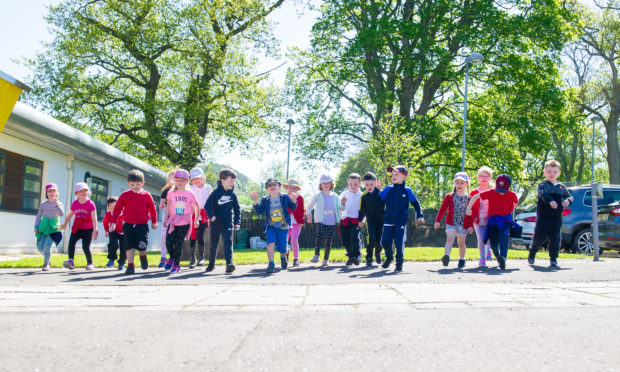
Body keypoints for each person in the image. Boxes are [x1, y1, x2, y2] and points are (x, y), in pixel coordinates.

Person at [466, 174, 519, 270]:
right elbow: (475, 196)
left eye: (503, 190)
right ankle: (498, 257)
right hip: (493, 220)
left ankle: (503, 258)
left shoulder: (512, 194)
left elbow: (515, 202)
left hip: (505, 220)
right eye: (499, 190)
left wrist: (509, 210)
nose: (501, 193)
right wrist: (468, 208)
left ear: (509, 187)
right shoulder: (491, 192)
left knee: (504, 238)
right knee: (493, 243)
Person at [110, 170, 158, 275]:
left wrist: (154, 221)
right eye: (132, 184)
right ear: (128, 184)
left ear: (142, 183)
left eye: (138, 184)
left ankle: (142, 255)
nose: (135, 186)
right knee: (129, 245)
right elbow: (117, 209)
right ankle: (130, 266)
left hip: (142, 225)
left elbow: (152, 209)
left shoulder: (147, 195)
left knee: (142, 245)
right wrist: (113, 223)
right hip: (128, 225)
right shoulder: (124, 195)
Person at [528, 160, 573, 268]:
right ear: (544, 172)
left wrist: (568, 201)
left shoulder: (561, 187)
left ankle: (553, 259)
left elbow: (570, 196)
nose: (551, 174)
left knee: (555, 238)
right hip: (543, 217)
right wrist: (550, 201)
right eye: (549, 171)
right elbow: (543, 194)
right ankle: (532, 251)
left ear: (558, 173)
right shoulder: (542, 185)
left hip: (556, 217)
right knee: (539, 237)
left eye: (554, 172)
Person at [380, 165, 425, 272]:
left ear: (404, 177)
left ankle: (399, 262)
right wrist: (376, 191)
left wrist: (420, 215)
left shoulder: (407, 190)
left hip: (401, 221)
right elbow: (378, 201)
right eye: (392, 174)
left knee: (399, 242)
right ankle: (389, 257)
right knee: (385, 241)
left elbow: (416, 203)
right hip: (388, 220)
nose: (393, 176)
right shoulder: (387, 189)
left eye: (396, 174)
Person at [251, 179, 298, 273]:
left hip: (283, 227)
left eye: (274, 185)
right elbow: (260, 211)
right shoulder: (265, 199)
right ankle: (271, 264)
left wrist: (294, 200)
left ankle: (283, 257)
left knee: (282, 248)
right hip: (271, 226)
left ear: (279, 187)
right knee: (270, 243)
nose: (272, 186)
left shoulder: (284, 197)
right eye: (269, 185)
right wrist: (255, 201)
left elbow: (292, 208)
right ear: (267, 189)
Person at [434, 172, 474, 269]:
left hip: (463, 224)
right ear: (454, 184)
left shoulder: (469, 198)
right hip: (451, 223)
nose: (459, 185)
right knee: (450, 238)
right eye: (457, 183)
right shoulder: (450, 196)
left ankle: (461, 259)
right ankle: (447, 256)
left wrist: (470, 225)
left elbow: (471, 213)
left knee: (461, 243)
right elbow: (442, 209)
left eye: (462, 183)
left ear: (467, 184)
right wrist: (437, 220)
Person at [204, 168, 240, 273]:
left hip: (227, 222)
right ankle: (211, 264)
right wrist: (212, 215)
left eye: (234, 181)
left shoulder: (233, 195)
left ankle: (229, 263)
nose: (232, 183)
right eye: (230, 181)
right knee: (213, 243)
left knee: (228, 242)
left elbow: (237, 209)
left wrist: (237, 222)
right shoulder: (215, 193)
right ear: (223, 180)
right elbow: (207, 206)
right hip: (215, 223)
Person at [163, 169, 199, 273]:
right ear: (174, 180)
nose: (180, 182)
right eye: (178, 180)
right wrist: (165, 219)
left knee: (179, 243)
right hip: (173, 221)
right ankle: (172, 258)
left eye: (182, 180)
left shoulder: (190, 193)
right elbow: (168, 207)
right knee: (168, 242)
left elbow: (196, 206)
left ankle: (177, 265)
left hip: (184, 222)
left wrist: (196, 220)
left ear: (187, 181)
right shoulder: (171, 192)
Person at [60, 182, 98, 270]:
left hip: (88, 229)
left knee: (85, 246)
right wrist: (65, 224)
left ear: (88, 192)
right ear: (76, 193)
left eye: (85, 191)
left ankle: (90, 263)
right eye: (81, 191)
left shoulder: (91, 203)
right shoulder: (75, 203)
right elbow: (69, 215)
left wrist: (94, 230)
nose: (83, 192)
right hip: (77, 227)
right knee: (72, 242)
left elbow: (94, 218)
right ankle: (71, 261)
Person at [306, 175, 341, 267]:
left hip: (332, 222)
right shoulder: (318, 195)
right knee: (319, 235)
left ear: (331, 184)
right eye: (323, 183)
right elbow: (309, 206)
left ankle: (326, 259)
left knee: (328, 240)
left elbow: (340, 207)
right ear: (320, 185)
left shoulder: (336, 196)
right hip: (321, 221)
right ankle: (316, 255)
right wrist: (308, 214)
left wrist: (344, 204)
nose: (326, 185)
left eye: (328, 183)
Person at [34, 183, 64, 271]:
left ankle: (46, 263)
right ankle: (48, 258)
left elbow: (61, 214)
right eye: (49, 191)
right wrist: (36, 226)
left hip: (53, 229)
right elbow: (39, 216)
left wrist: (57, 205)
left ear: (56, 193)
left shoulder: (59, 203)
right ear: (46, 193)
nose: (51, 192)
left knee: (47, 247)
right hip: (44, 228)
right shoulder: (43, 204)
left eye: (53, 190)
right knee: (40, 247)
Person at [469, 166, 495, 266]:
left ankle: (488, 250)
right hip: (477, 220)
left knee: (488, 237)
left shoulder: (493, 191)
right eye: (481, 176)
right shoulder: (474, 192)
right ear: (478, 178)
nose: (484, 178)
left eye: (486, 176)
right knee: (480, 239)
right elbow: (470, 207)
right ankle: (482, 258)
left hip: (490, 219)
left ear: (490, 178)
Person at [358, 173, 384, 267]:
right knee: (371, 238)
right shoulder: (364, 196)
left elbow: (385, 205)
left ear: (376, 183)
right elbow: (361, 210)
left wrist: (377, 190)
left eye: (371, 185)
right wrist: (360, 220)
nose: (369, 187)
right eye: (367, 185)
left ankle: (377, 253)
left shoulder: (381, 194)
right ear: (364, 184)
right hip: (371, 221)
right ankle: (369, 258)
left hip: (381, 221)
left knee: (379, 240)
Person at [189, 167, 212, 268]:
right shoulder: (190, 188)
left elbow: (210, 201)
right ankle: (192, 258)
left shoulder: (208, 188)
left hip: (203, 214)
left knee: (200, 235)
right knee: (192, 236)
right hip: (192, 214)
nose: (195, 181)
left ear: (203, 177)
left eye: (197, 178)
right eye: (193, 179)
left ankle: (201, 257)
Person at [340, 173, 363, 266]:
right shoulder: (344, 194)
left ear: (360, 184)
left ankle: (356, 256)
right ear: (348, 183)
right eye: (351, 184)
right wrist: (342, 203)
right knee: (345, 239)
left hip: (356, 220)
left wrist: (363, 220)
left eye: (355, 184)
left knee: (355, 237)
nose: (353, 186)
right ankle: (350, 256)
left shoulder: (361, 195)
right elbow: (340, 208)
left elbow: (364, 210)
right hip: (345, 219)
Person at [284, 178, 305, 267]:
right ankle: (285, 254)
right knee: (284, 240)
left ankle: (296, 258)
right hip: (286, 223)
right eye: (290, 188)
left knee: (293, 240)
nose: (292, 190)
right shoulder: (284, 197)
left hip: (296, 223)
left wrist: (301, 221)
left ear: (297, 189)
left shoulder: (300, 198)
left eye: (294, 188)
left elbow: (301, 210)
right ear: (287, 188)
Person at [102, 196, 126, 270]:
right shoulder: (108, 214)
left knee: (124, 248)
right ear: (109, 207)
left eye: (115, 206)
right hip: (113, 231)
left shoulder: (124, 212)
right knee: (113, 244)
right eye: (111, 206)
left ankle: (121, 263)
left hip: (124, 232)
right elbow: (105, 222)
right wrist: (106, 230)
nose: (114, 208)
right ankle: (111, 259)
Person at [158, 170, 176, 268]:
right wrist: (161, 204)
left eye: (175, 176)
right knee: (164, 237)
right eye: (171, 177)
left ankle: (173, 258)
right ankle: (163, 257)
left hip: (178, 217)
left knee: (174, 239)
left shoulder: (182, 190)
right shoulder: (166, 190)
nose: (173, 178)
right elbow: (161, 204)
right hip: (167, 216)